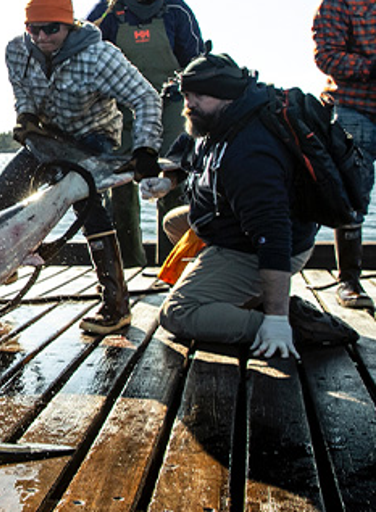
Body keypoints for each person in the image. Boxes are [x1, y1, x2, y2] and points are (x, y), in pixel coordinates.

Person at [0, 0, 163, 334]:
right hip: (48, 134)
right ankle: (3, 265)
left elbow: (146, 97)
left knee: (86, 205)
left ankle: (116, 304)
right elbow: (22, 91)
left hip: (93, 136)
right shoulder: (16, 51)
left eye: (51, 28)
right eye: (33, 28)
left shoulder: (100, 57)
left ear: (69, 26)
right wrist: (25, 116)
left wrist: (146, 148)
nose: (41, 36)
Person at [150, 53, 318, 358]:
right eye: (187, 95)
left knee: (177, 312)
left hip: (263, 246)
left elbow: (273, 236)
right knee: (175, 223)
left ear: (227, 95)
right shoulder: (216, 121)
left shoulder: (249, 152)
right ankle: (239, 292)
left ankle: (284, 323)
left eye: (200, 95)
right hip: (231, 224)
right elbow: (187, 153)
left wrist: (276, 319)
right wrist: (168, 181)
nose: (189, 104)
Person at [87, 0, 205, 267]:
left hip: (172, 105)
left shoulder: (177, 11)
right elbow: (84, 49)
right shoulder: (106, 12)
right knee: (119, 187)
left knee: (175, 179)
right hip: (120, 107)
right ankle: (128, 265)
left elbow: (197, 60)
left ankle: (175, 265)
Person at [313, 0, 376, 310]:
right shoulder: (338, 4)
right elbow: (326, 56)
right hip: (355, 108)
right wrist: (370, 67)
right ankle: (349, 279)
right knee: (352, 193)